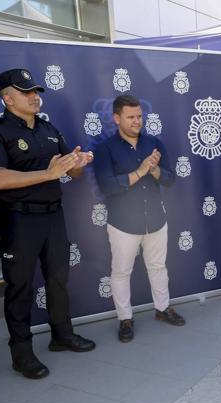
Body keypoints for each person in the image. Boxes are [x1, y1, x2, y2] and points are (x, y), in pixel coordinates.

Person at [0, 68, 96, 380]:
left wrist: (77, 164)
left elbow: (71, 171)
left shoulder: (48, 129)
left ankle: (62, 335)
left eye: (35, 91)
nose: (34, 97)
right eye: (26, 92)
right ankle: (22, 353)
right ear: (7, 98)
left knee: (57, 279)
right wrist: (48, 174)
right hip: (20, 221)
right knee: (20, 287)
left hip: (53, 216)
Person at [94, 95, 184, 342]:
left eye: (139, 116)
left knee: (158, 267)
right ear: (116, 118)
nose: (137, 121)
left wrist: (154, 170)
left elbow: (170, 179)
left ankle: (163, 309)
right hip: (123, 223)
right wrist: (140, 171)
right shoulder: (104, 149)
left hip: (156, 218)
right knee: (121, 271)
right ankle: (125, 319)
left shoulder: (154, 143)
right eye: (131, 117)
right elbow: (107, 187)